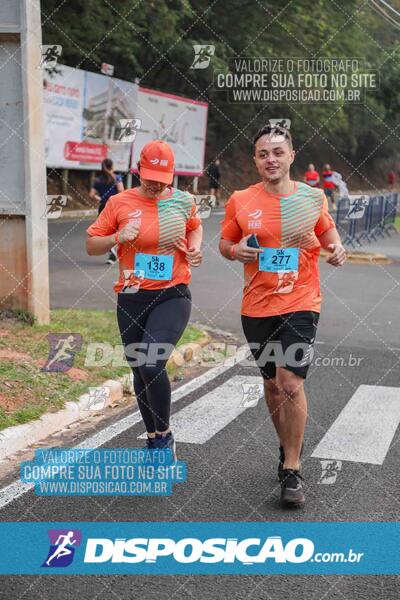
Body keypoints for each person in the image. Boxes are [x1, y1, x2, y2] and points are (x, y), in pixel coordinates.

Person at [219, 124, 346, 508]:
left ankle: (292, 468)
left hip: (301, 300)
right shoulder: (241, 199)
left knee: (290, 383)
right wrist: (234, 250)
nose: (270, 159)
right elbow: (225, 242)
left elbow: (330, 237)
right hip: (257, 305)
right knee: (273, 386)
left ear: (291, 156)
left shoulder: (312, 198)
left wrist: (336, 250)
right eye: (263, 154)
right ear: (255, 160)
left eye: (277, 152)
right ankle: (286, 445)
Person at [86, 140, 203, 456]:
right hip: (131, 295)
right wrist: (116, 238)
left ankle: (164, 436)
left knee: (152, 363)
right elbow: (91, 244)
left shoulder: (183, 201)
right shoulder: (119, 202)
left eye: (162, 180)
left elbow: (195, 226)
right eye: (149, 177)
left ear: (172, 175)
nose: (155, 185)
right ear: (138, 171)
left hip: (172, 294)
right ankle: (153, 436)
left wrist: (193, 248)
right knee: (139, 368)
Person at [89, 158, 124, 264]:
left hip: (103, 207)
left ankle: (111, 253)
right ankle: (115, 252)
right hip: (115, 207)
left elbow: (91, 194)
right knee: (118, 230)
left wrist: (100, 198)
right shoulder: (117, 178)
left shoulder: (98, 180)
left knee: (103, 232)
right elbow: (121, 191)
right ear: (112, 166)